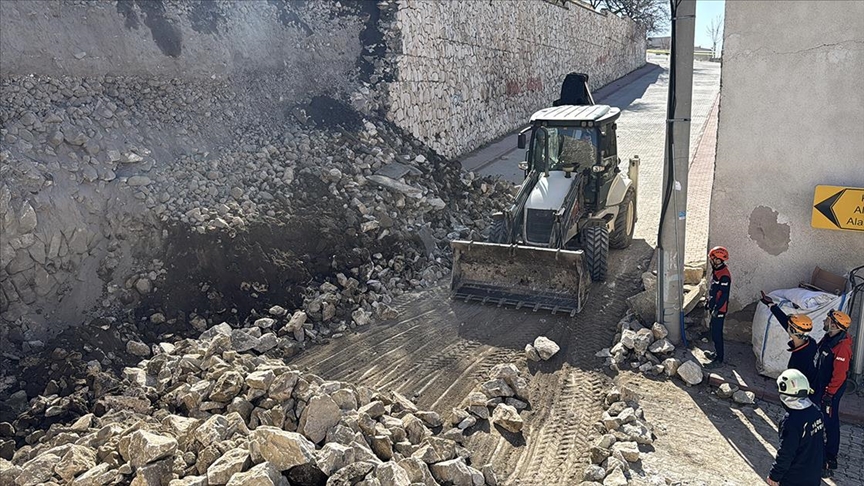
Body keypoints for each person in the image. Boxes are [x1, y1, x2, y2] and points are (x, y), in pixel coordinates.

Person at [813, 308, 853, 478]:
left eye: (827, 320)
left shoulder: (842, 347)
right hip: (822, 385)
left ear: (834, 325)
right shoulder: (829, 338)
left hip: (831, 390)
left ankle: (830, 458)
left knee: (830, 422)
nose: (824, 322)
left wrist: (829, 395)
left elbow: (839, 375)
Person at [767, 369, 824, 486]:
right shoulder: (816, 411)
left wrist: (774, 475)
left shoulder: (791, 422)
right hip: (813, 474)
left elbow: (786, 452)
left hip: (795, 477)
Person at [759, 292, 817, 389]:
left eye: (789, 326)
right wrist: (771, 305)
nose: (787, 327)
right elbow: (784, 322)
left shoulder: (801, 359)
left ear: (794, 331)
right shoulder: (809, 342)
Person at [704, 246, 731, 368]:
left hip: (719, 309)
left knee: (717, 334)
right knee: (713, 331)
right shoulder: (716, 270)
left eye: (713, 258)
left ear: (717, 260)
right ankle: (716, 353)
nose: (711, 260)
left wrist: (716, 309)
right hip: (713, 306)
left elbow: (724, 294)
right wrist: (708, 302)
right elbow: (714, 289)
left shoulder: (724, 275)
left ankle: (719, 359)